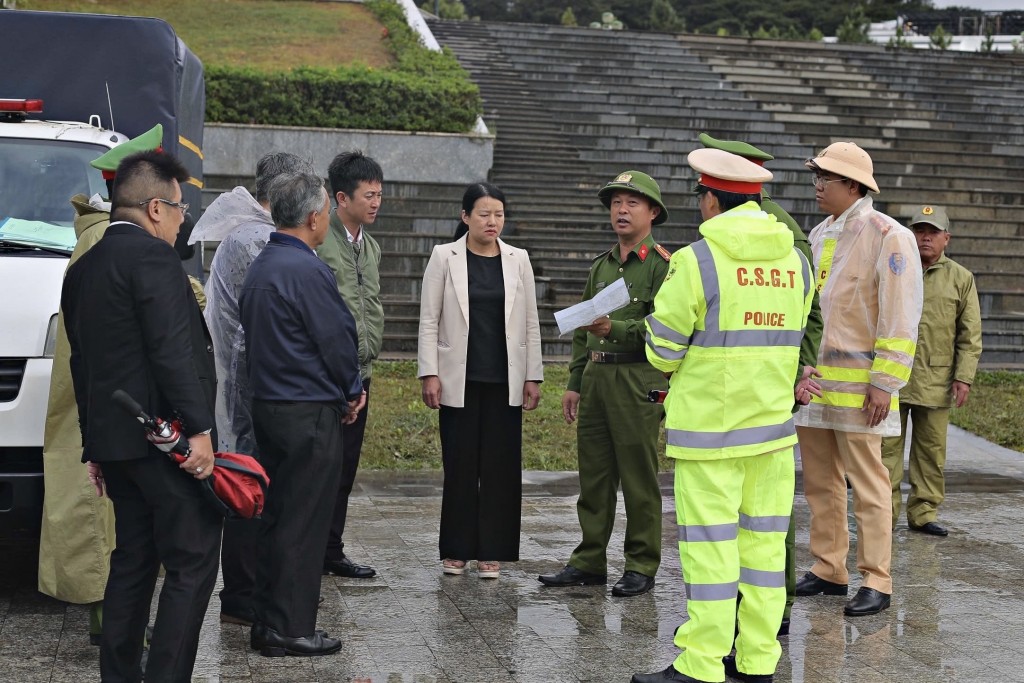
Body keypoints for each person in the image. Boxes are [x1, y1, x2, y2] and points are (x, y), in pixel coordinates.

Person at [633, 148, 814, 683]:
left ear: (711, 200)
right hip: (774, 435)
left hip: (710, 435)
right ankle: (758, 661)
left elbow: (662, 350)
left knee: (711, 554)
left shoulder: (695, 261)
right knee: (762, 551)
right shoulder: (796, 261)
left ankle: (701, 664)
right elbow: (795, 333)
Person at [62, 149, 221, 681]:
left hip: (116, 446)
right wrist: (199, 430)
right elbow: (173, 351)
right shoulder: (154, 261)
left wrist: (94, 447)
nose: (182, 222)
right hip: (165, 442)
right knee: (193, 561)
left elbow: (81, 366)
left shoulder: (82, 269)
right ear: (156, 208)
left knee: (131, 561)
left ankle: (120, 675)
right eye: (179, 209)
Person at [39, 124, 166, 646]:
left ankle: (116, 627)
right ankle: (115, 632)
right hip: (109, 409)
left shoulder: (96, 234)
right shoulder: (107, 238)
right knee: (108, 529)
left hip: (98, 402)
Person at [698, 132, 824, 637]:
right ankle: (749, 616)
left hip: (762, 391)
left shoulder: (779, 231)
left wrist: (800, 370)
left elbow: (808, 311)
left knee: (763, 521)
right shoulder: (745, 225)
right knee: (751, 517)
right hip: (735, 391)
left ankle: (773, 610)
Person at [240, 169, 365, 657]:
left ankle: (267, 619)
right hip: (307, 412)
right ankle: (291, 626)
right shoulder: (308, 269)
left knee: (276, 517)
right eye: (327, 212)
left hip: (268, 406)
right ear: (315, 216)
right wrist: (351, 388)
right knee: (304, 522)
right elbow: (337, 340)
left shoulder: (263, 265)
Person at [794, 142, 922, 617]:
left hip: (861, 383)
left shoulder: (888, 234)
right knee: (820, 480)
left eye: (826, 178)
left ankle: (877, 578)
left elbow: (901, 314)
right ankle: (829, 568)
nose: (818, 186)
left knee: (869, 481)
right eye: (817, 177)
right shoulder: (820, 232)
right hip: (816, 379)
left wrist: (885, 382)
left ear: (854, 185)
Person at [192, 152, 314, 626]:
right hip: (250, 382)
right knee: (248, 482)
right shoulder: (259, 237)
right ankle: (242, 595)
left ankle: (247, 591)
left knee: (250, 477)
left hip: (246, 377)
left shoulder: (248, 230)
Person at [538, 170, 670, 598]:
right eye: (616, 202)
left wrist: (615, 327)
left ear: (652, 212)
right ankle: (589, 558)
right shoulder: (602, 265)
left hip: (637, 377)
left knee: (638, 477)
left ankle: (641, 563)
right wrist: (575, 380)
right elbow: (582, 327)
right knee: (593, 474)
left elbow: (662, 325)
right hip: (597, 376)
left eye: (632, 202)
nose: (622, 210)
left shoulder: (662, 267)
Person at [417, 182, 543, 578]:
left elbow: (530, 323)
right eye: (485, 213)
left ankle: (493, 551)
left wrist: (533, 376)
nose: (493, 221)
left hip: (505, 378)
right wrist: (430, 372)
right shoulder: (444, 257)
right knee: (460, 465)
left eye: (499, 214)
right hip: (459, 379)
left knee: (500, 468)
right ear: (465, 216)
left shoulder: (518, 259)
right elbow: (428, 319)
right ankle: (456, 550)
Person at [881, 205, 982, 537]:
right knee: (886, 452)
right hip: (893, 377)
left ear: (946, 238)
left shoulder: (961, 278)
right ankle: (883, 513)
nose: (925, 237)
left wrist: (963, 377)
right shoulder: (894, 268)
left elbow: (970, 335)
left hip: (936, 379)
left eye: (933, 232)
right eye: (919, 231)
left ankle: (923, 512)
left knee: (931, 452)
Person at [316, 151, 386, 579]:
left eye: (380, 194)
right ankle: (311, 548)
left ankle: (331, 549)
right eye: (369, 195)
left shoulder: (370, 245)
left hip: (363, 374)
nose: (376, 202)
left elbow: (371, 306)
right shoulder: (323, 241)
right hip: (328, 377)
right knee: (321, 470)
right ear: (342, 198)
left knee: (345, 470)